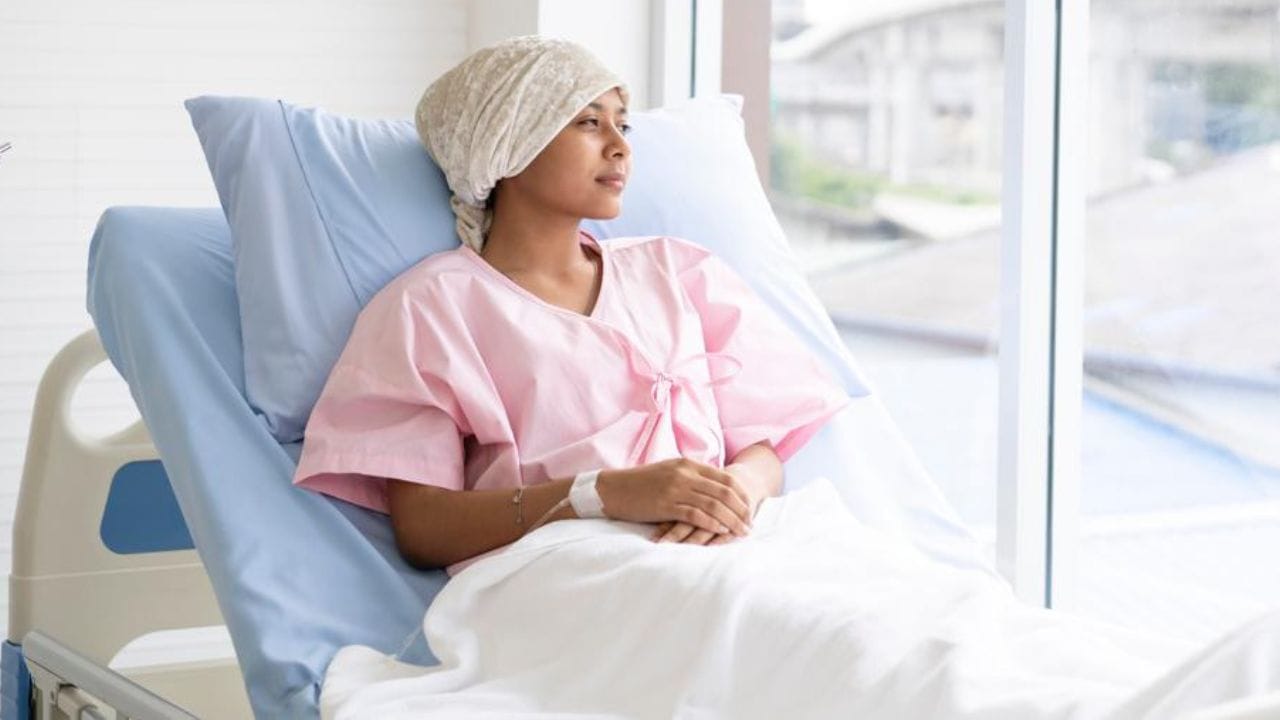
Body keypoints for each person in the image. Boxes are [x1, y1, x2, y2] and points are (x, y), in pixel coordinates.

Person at [292, 35, 852, 577]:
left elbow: (761, 447)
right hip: (573, 575)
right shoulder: (432, 308)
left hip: (732, 547)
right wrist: (600, 493)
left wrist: (734, 493)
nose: (620, 146)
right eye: (588, 122)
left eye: (622, 124)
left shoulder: (677, 271)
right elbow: (424, 529)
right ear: (507, 144)